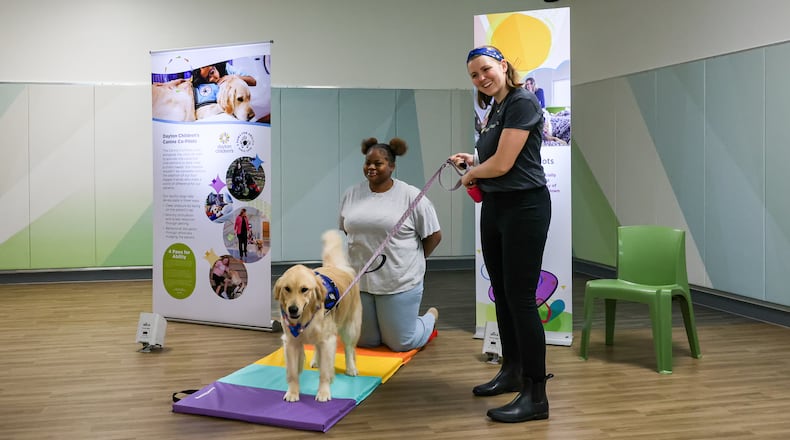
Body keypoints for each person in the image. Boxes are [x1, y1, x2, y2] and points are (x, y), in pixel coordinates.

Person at [450, 45, 553, 424]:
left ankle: (536, 393)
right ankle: (511, 371)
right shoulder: (495, 108)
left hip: (525, 207)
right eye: (474, 75)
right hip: (496, 207)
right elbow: (495, 156)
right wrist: (472, 161)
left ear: (503, 66)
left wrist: (473, 173)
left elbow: (507, 163)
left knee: (522, 299)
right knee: (504, 295)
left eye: (485, 70)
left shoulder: (522, 101)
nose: (481, 78)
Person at [339, 137, 442, 352]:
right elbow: (347, 229)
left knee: (400, 343)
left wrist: (414, 262)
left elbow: (434, 236)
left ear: (392, 166)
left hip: (398, 282)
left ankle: (430, 318)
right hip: (362, 282)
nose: (371, 168)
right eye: (368, 163)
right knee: (366, 341)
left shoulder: (411, 196)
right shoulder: (351, 194)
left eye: (379, 163)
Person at [191, 61, 257, 109]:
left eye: (212, 72)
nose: (212, 79)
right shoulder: (201, 84)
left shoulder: (225, 68)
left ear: (214, 66)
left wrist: (232, 77)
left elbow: (253, 81)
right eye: (207, 79)